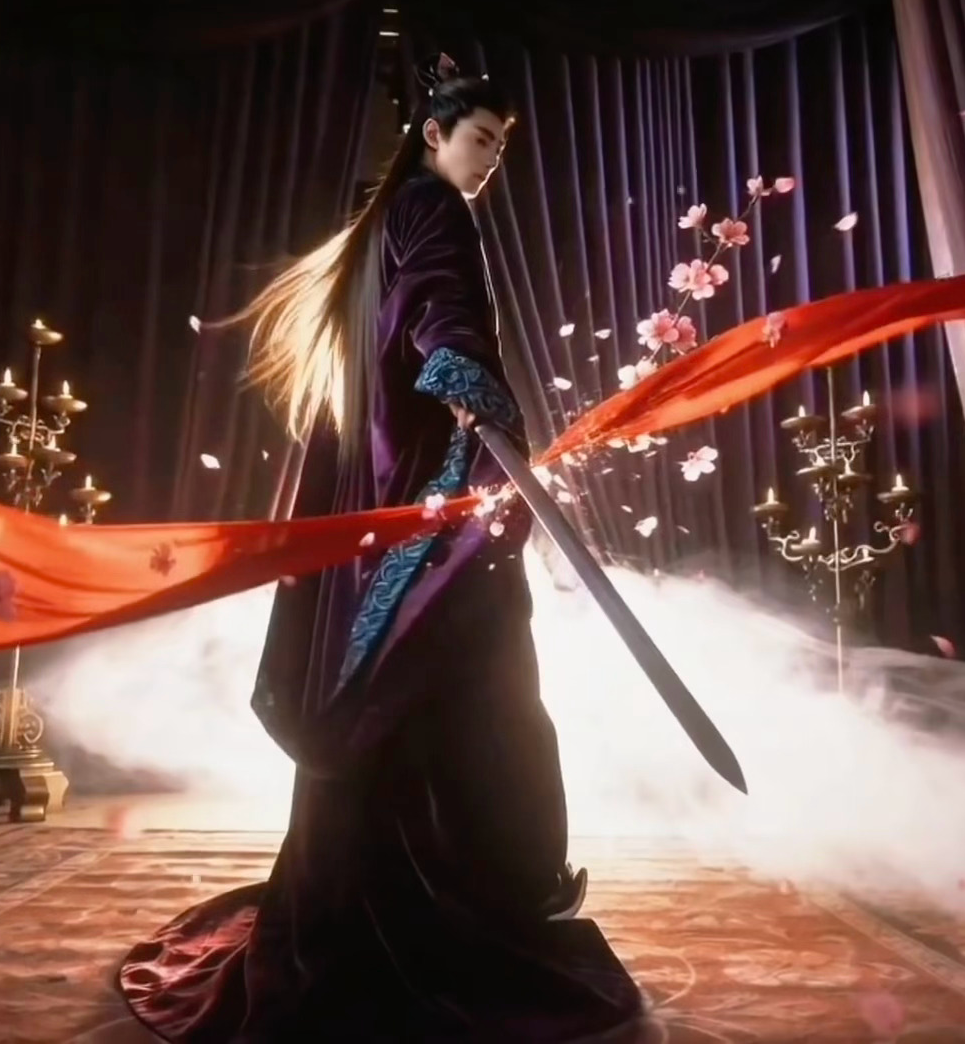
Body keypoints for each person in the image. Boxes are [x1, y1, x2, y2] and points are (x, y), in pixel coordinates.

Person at [116, 56, 647, 1042]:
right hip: (429, 504)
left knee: (436, 698)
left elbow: (416, 322)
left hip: (408, 502)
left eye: (500, 146)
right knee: (476, 694)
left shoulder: (393, 218)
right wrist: (469, 383)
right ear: (434, 134)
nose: (490, 159)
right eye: (480, 138)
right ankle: (473, 913)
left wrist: (458, 387)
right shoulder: (431, 210)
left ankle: (430, 900)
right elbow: (435, 310)